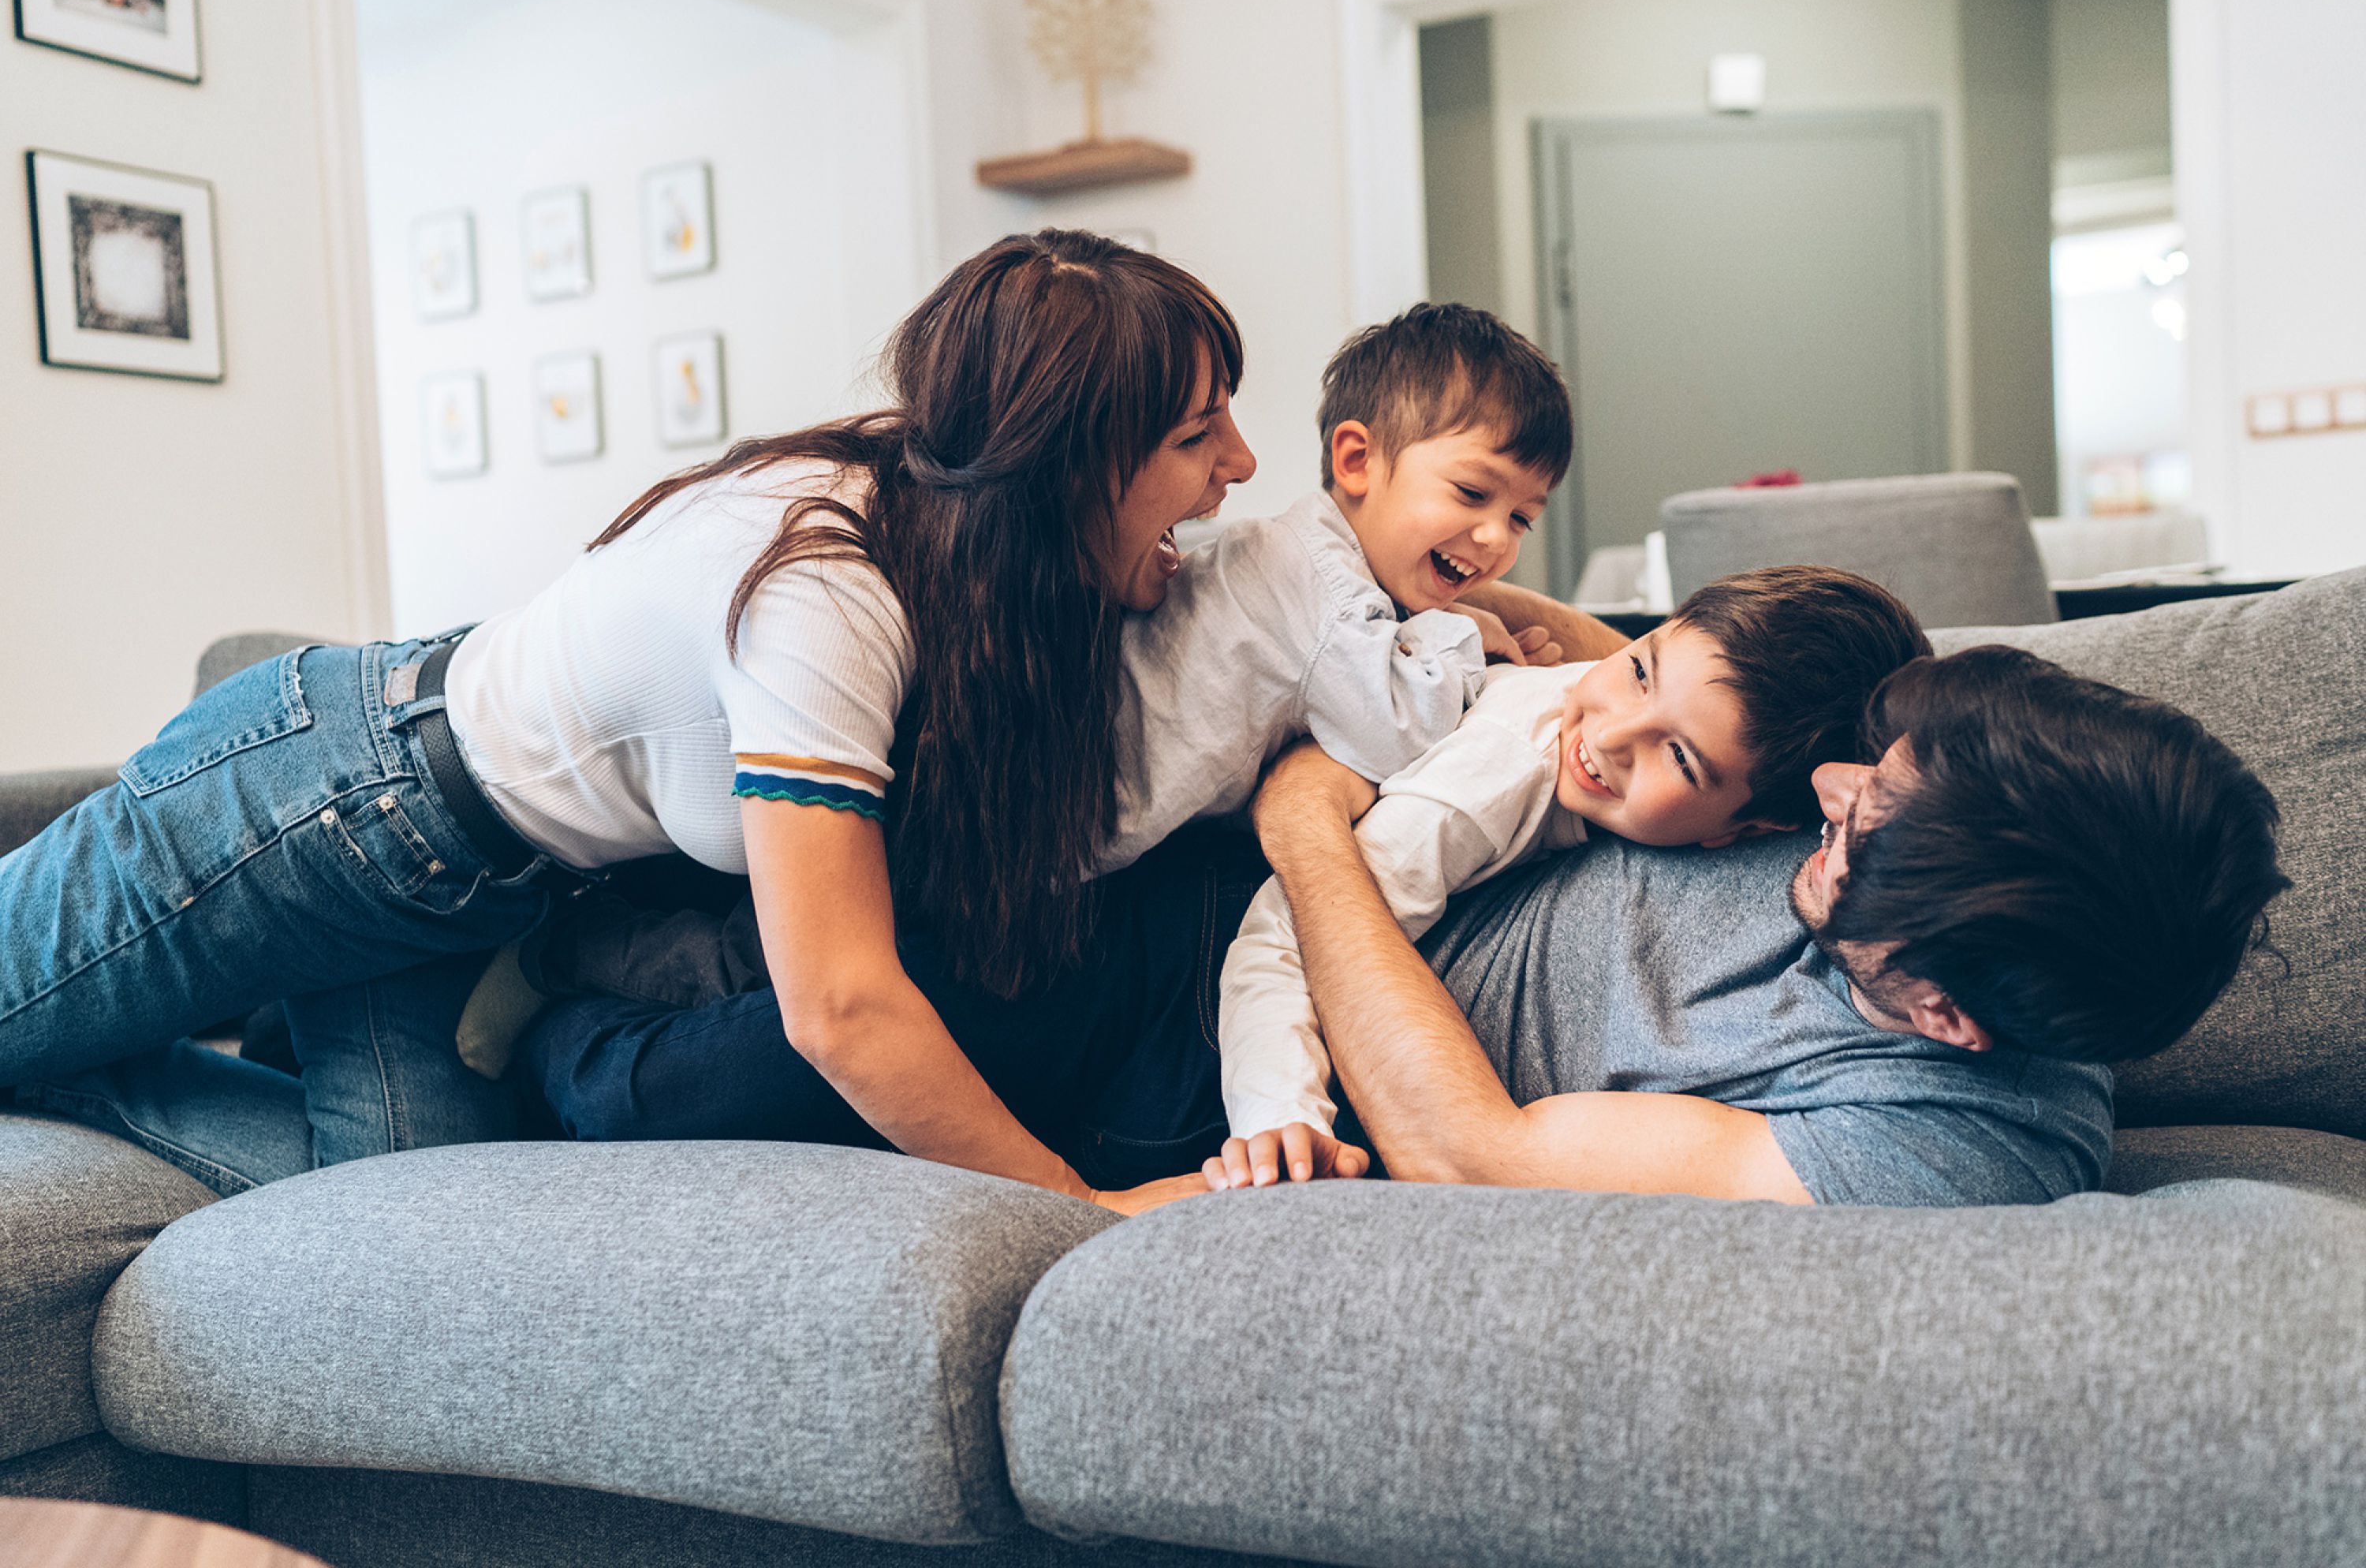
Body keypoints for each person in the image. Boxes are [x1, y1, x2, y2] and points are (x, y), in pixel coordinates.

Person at [0, 229, 1263, 1209]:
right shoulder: (825, 591)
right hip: (319, 804)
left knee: (399, 1219)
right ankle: (60, 1052)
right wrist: (1078, 1202)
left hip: (460, 893)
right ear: (1059, 463)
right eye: (1199, 431)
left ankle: (63, 1067)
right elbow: (840, 1005)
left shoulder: (951, 527)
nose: (1243, 463)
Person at [497, 304, 1625, 1127]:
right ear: (1357, 460)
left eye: (1522, 517)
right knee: (773, 958)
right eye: (1473, 496)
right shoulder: (1328, 601)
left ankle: (578, 954)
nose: (1493, 541)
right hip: (1026, 825)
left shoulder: (1287, 553)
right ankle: (573, 964)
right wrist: (1468, 640)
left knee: (772, 943)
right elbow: (1396, 732)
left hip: (1035, 815)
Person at [1207, 644, 2289, 1204]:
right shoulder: (1962, 790)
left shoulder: (1962, 1148)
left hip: (1258, 1057)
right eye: (1874, 768)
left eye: (1857, 826)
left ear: (1947, 1011)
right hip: (1375, 826)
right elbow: (1687, 671)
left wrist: (1306, 834)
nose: (1827, 782)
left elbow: (1472, 1156)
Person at [1218, 566, 1931, 1174]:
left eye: (1678, 757)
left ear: (1752, 830)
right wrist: (1278, 1110)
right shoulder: (1493, 780)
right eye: (1638, 668)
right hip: (1235, 995)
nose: (1609, 735)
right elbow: (1282, 925)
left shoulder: (1785, 776)